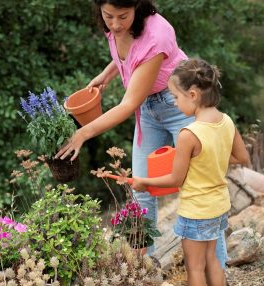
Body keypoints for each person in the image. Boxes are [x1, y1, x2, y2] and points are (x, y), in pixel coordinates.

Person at [55, 0, 230, 269]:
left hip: (180, 103)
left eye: (122, 17)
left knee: (199, 185)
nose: (115, 24)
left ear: (136, 7)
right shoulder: (112, 25)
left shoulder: (157, 33)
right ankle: (144, 267)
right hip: (148, 109)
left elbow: (127, 104)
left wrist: (83, 133)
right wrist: (106, 74)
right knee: (141, 187)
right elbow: (127, 55)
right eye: (108, 16)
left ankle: (217, 266)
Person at [132, 58, 250, 285]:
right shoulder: (226, 121)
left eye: (176, 97)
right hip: (219, 206)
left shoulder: (189, 134)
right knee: (213, 261)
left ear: (193, 95)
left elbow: (176, 179)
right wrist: (211, 160)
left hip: (196, 211)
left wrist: (144, 181)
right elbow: (242, 157)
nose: (175, 104)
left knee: (194, 268)